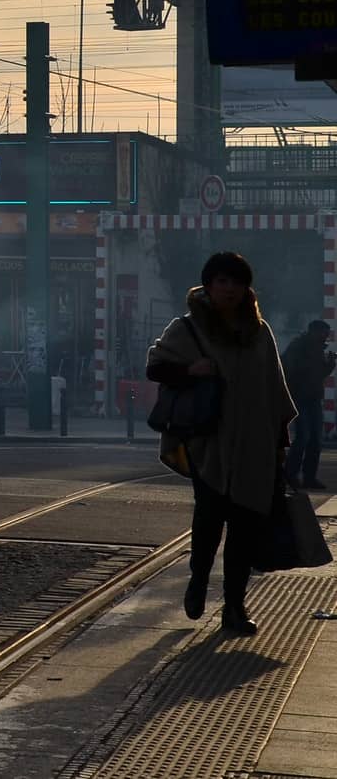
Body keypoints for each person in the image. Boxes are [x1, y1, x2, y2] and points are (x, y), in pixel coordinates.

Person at [147, 251, 296, 635]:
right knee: (210, 518)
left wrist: (280, 443)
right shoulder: (188, 328)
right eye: (222, 281)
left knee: (245, 529)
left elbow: (274, 389)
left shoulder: (259, 332)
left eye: (237, 282)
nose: (229, 289)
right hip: (208, 444)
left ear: (247, 288)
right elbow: (156, 367)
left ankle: (234, 607)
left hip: (254, 446)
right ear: (209, 285)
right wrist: (190, 370)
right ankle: (198, 580)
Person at [282, 319, 335, 490]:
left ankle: (308, 477)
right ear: (313, 332)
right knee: (303, 437)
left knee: (315, 440)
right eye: (323, 333)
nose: (325, 337)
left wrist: (329, 365)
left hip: (313, 398)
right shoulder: (298, 347)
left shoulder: (317, 349)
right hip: (300, 397)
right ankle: (290, 475)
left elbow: (318, 375)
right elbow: (290, 370)